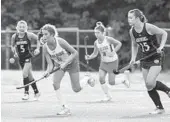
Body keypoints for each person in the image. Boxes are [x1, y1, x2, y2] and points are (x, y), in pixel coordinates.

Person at [40, 24, 95, 116]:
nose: (44, 36)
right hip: (59, 65)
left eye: (46, 34)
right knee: (55, 83)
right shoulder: (45, 47)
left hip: (72, 63)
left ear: (52, 35)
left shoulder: (60, 42)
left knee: (76, 89)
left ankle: (86, 78)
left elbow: (75, 53)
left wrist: (65, 63)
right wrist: (47, 72)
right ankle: (65, 108)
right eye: (43, 34)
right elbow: (50, 64)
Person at [128, 9, 170, 114]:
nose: (128, 20)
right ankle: (160, 108)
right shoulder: (132, 31)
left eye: (131, 17)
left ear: (137, 18)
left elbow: (164, 33)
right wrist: (133, 58)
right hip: (145, 58)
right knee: (148, 85)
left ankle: (167, 90)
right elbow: (134, 45)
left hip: (156, 56)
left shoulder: (148, 27)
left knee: (150, 82)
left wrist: (161, 46)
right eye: (128, 17)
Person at [85, 22, 130, 102]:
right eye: (95, 33)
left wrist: (114, 52)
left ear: (103, 33)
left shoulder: (108, 39)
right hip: (104, 63)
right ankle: (107, 96)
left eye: (98, 33)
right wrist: (89, 57)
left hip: (113, 62)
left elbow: (119, 44)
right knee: (101, 78)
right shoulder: (96, 43)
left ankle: (123, 79)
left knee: (111, 82)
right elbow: (95, 53)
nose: (96, 34)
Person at [11, 20, 41, 101]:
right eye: (20, 27)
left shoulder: (29, 35)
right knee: (30, 77)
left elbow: (39, 39)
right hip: (21, 59)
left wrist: (38, 48)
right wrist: (15, 52)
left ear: (26, 28)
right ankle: (37, 92)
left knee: (24, 74)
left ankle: (26, 93)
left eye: (23, 27)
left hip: (28, 57)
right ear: (17, 28)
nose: (22, 28)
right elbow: (12, 46)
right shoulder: (14, 36)